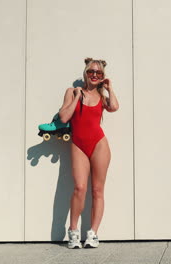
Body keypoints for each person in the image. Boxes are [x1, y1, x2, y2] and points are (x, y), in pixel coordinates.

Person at [58, 57, 119, 249]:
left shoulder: (102, 95)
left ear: (102, 77)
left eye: (98, 73)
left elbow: (115, 107)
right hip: (78, 144)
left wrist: (109, 88)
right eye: (91, 71)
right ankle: (74, 231)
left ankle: (93, 233)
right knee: (80, 188)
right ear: (85, 72)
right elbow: (64, 116)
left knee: (98, 190)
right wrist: (77, 96)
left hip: (99, 144)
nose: (94, 75)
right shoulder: (72, 91)